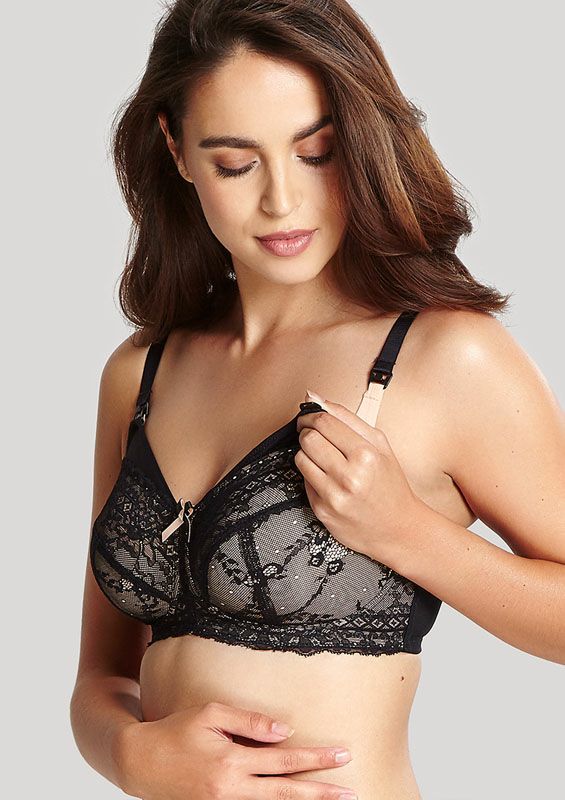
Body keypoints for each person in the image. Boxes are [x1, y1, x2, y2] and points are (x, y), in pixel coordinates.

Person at [69, 1, 565, 798]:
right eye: (236, 163)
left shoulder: (446, 357)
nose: (282, 201)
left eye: (316, 153)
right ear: (177, 149)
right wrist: (129, 754)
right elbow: (99, 679)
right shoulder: (140, 373)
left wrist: (410, 536)